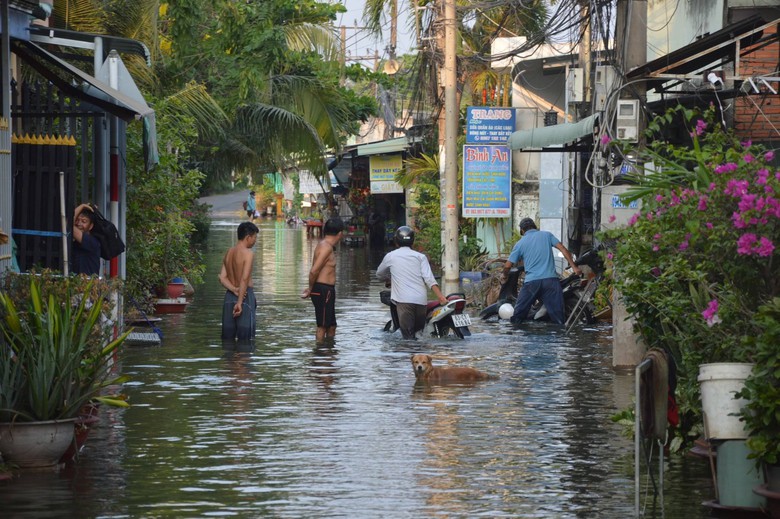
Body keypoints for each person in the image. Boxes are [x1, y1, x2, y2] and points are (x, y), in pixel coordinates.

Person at [501, 217, 582, 326]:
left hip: (532, 283)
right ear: (535, 227)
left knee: (518, 315)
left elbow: (507, 266)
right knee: (559, 319)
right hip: (551, 282)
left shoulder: (520, 243)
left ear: (522, 231)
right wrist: (574, 267)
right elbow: (563, 249)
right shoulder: (547, 235)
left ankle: (517, 338)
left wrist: (505, 276)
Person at [376, 226, 448, 339]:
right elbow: (429, 279)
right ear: (412, 241)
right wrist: (441, 297)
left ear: (396, 241)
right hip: (421, 302)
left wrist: (389, 279)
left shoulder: (391, 256)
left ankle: (410, 356)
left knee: (408, 339)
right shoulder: (421, 257)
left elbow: (379, 274)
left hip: (404, 302)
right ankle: (421, 356)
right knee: (418, 336)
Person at [301, 218, 344, 342]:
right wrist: (310, 288)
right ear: (340, 233)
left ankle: (328, 352)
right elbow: (314, 271)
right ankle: (319, 355)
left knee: (331, 326)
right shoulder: (326, 247)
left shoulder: (325, 245)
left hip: (327, 290)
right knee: (323, 325)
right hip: (323, 289)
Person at [219, 221, 260, 341]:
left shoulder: (229, 252)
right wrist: (240, 302)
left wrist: (234, 290)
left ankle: (229, 359)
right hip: (245, 297)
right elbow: (244, 279)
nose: (255, 241)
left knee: (227, 339)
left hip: (229, 297)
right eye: (254, 238)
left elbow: (222, 278)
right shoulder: (248, 254)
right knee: (246, 340)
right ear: (248, 237)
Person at [72, 203, 101, 276]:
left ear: (91, 226)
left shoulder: (92, 242)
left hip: (88, 285)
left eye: (84, 221)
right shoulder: (74, 242)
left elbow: (67, 225)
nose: (79, 223)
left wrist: (82, 206)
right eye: (77, 220)